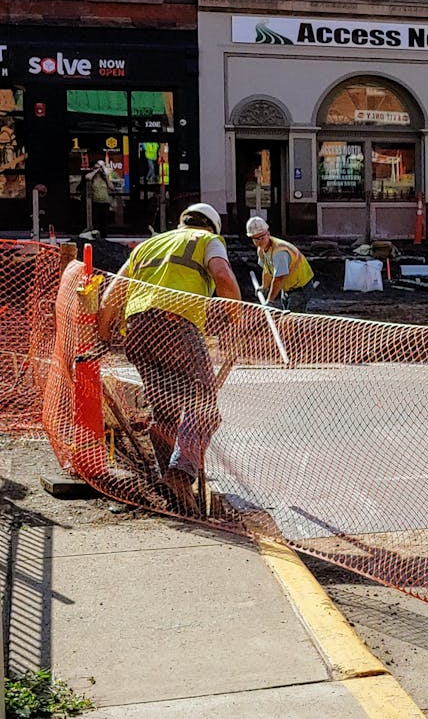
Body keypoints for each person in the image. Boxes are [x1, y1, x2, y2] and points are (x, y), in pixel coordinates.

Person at [97, 202, 241, 515]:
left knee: (166, 411)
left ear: (181, 222)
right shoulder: (206, 240)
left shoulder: (148, 246)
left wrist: (104, 338)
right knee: (204, 407)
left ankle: (174, 491)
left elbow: (112, 296)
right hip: (176, 326)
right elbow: (223, 276)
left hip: (138, 331)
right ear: (211, 227)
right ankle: (179, 474)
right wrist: (237, 318)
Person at [246, 216, 316, 312]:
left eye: (262, 237)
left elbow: (278, 279)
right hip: (288, 287)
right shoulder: (262, 250)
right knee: (287, 315)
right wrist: (264, 287)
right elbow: (267, 270)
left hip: (301, 287)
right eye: (256, 239)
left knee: (292, 319)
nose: (260, 241)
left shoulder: (279, 252)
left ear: (268, 234)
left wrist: (270, 301)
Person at [85, 164, 112, 237]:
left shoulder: (104, 179)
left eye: (100, 168)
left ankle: (104, 235)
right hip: (96, 202)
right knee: (96, 220)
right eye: (97, 167)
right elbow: (87, 177)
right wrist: (96, 170)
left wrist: (106, 176)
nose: (99, 170)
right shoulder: (92, 178)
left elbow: (111, 187)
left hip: (105, 201)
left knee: (104, 220)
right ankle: (96, 235)